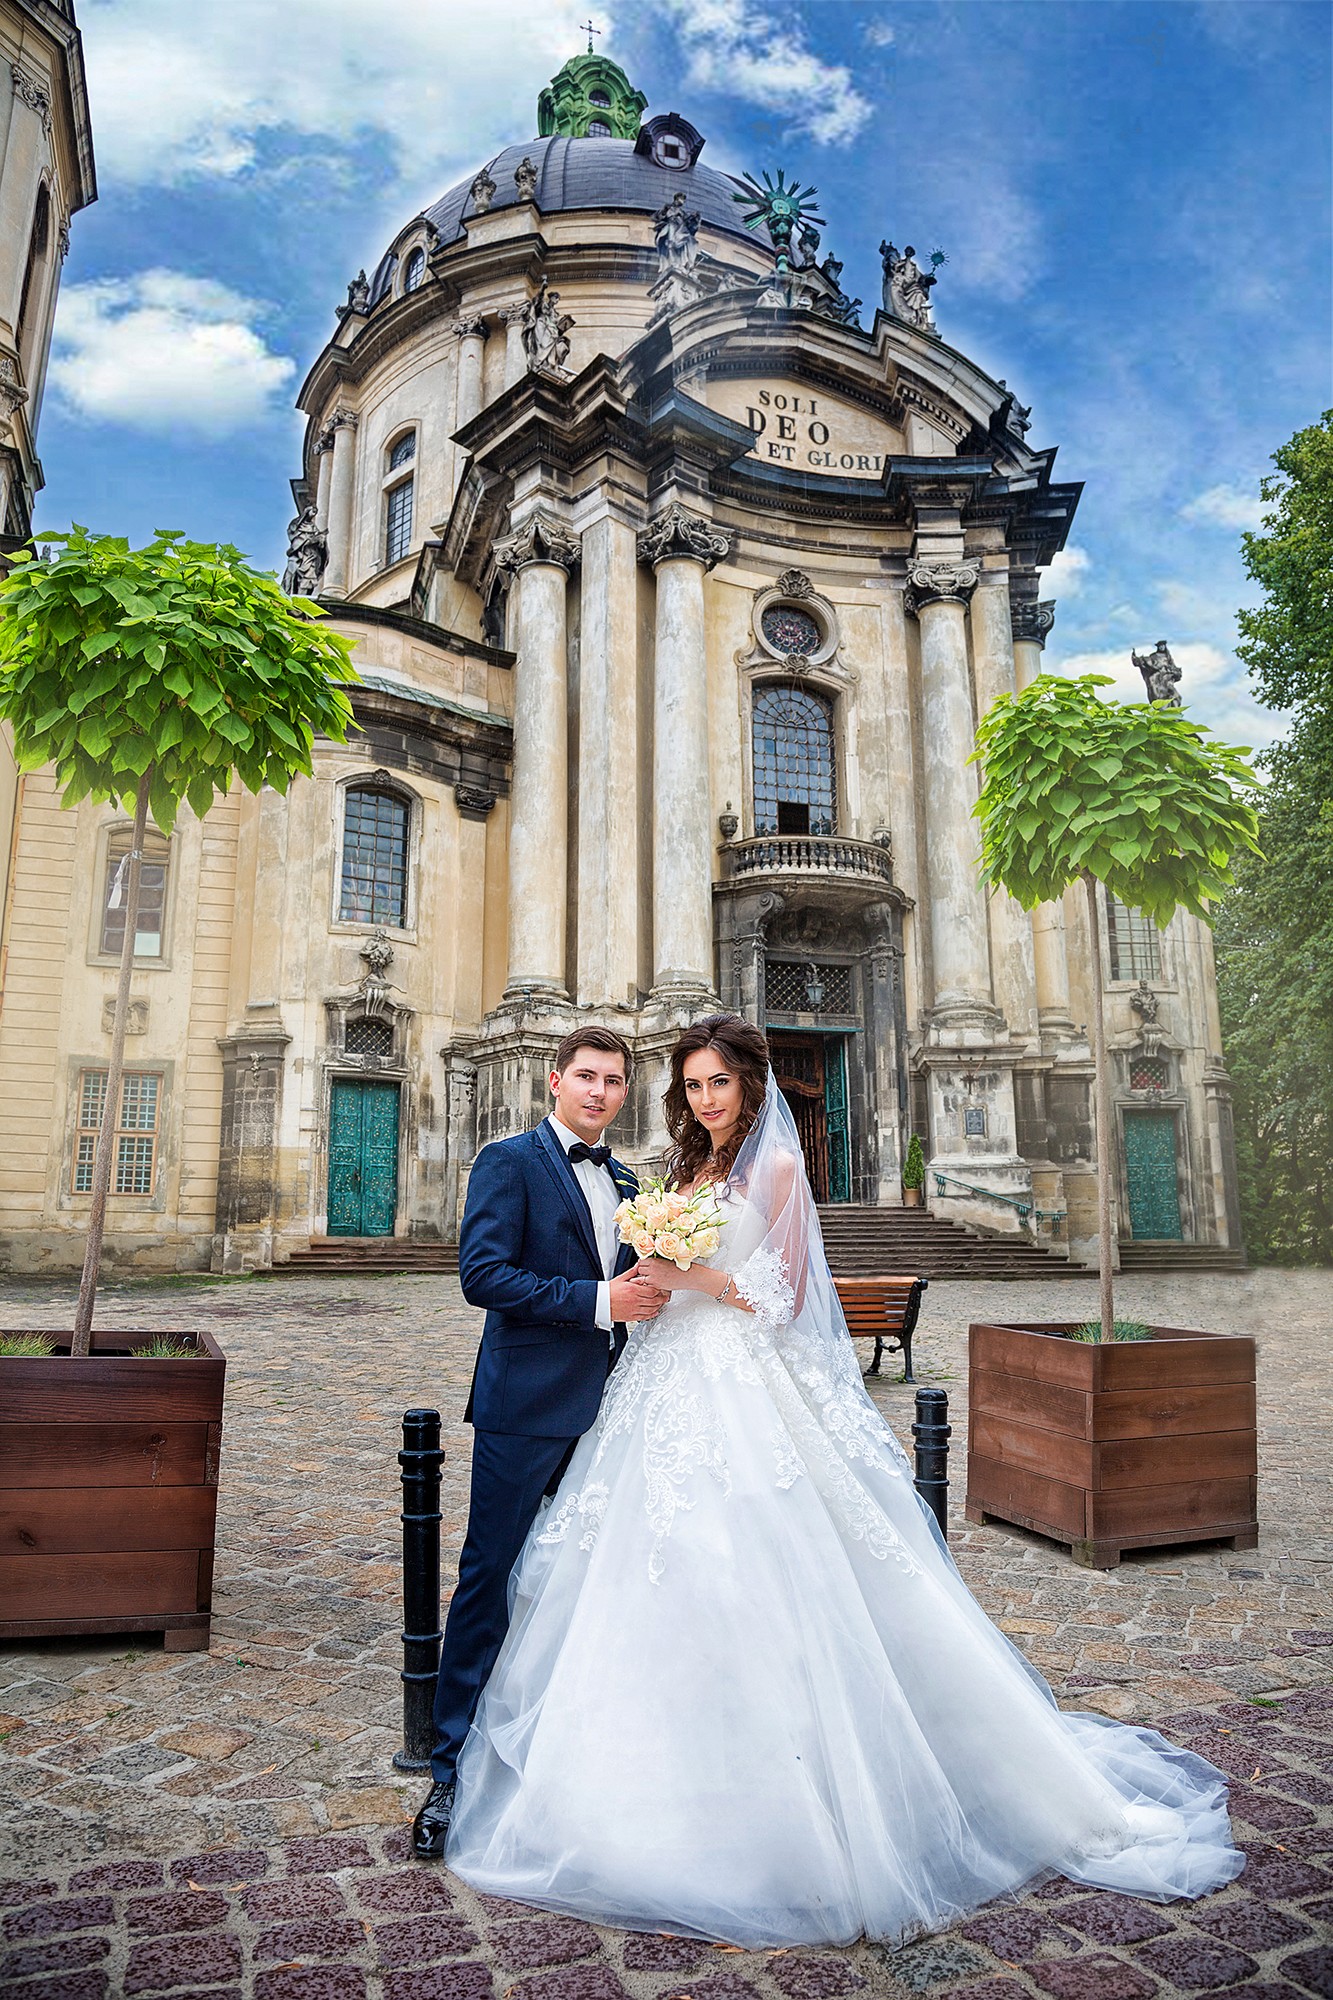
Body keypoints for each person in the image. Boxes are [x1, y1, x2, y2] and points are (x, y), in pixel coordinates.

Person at [441, 1011, 1244, 1944]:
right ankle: (476, 1753)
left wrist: (675, 1279)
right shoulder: (651, 1171)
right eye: (688, 1085)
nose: (701, 1099)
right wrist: (634, 1291)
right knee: (548, 1567)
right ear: (561, 1082)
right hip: (633, 1386)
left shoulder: (765, 1169)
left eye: (716, 1083)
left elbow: (777, 1292)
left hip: (730, 1380)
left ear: (749, 1085)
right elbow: (514, 1274)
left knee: (743, 1563)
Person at [410, 1026, 669, 1860]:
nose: (599, 1092)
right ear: (553, 1081)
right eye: (586, 1077)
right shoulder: (509, 1160)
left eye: (614, 1081)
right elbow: (481, 1276)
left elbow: (638, 1284)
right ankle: (450, 1766)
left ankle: (564, 1743)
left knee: (584, 1574)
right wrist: (597, 1302)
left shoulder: (627, 1178)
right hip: (526, 1404)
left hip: (612, 1408)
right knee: (490, 1573)